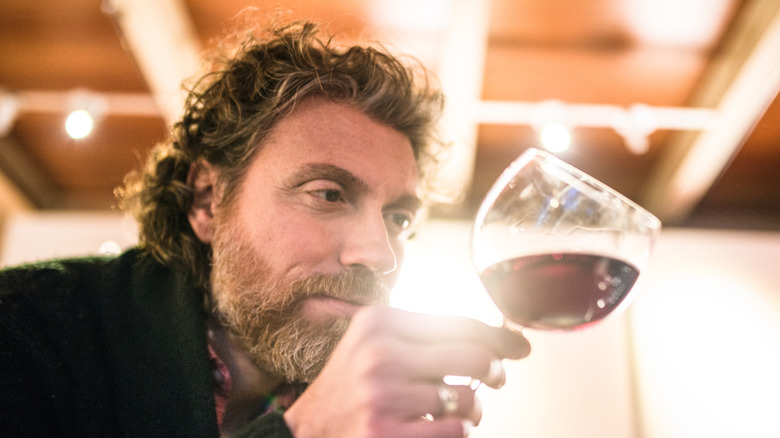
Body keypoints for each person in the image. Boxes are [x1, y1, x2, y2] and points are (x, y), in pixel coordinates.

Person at [0, 20, 530, 437]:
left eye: (398, 218)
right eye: (328, 193)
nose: (378, 254)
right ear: (208, 201)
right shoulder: (28, 331)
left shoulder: (379, 411)